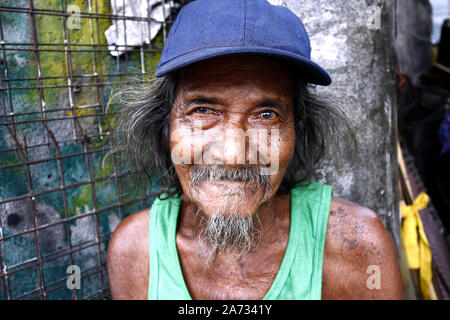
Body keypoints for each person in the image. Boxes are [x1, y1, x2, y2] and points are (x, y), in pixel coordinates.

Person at [107, 0, 403, 300]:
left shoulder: (356, 247)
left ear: (297, 132)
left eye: (266, 116)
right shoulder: (136, 250)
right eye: (203, 110)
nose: (233, 155)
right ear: (165, 127)